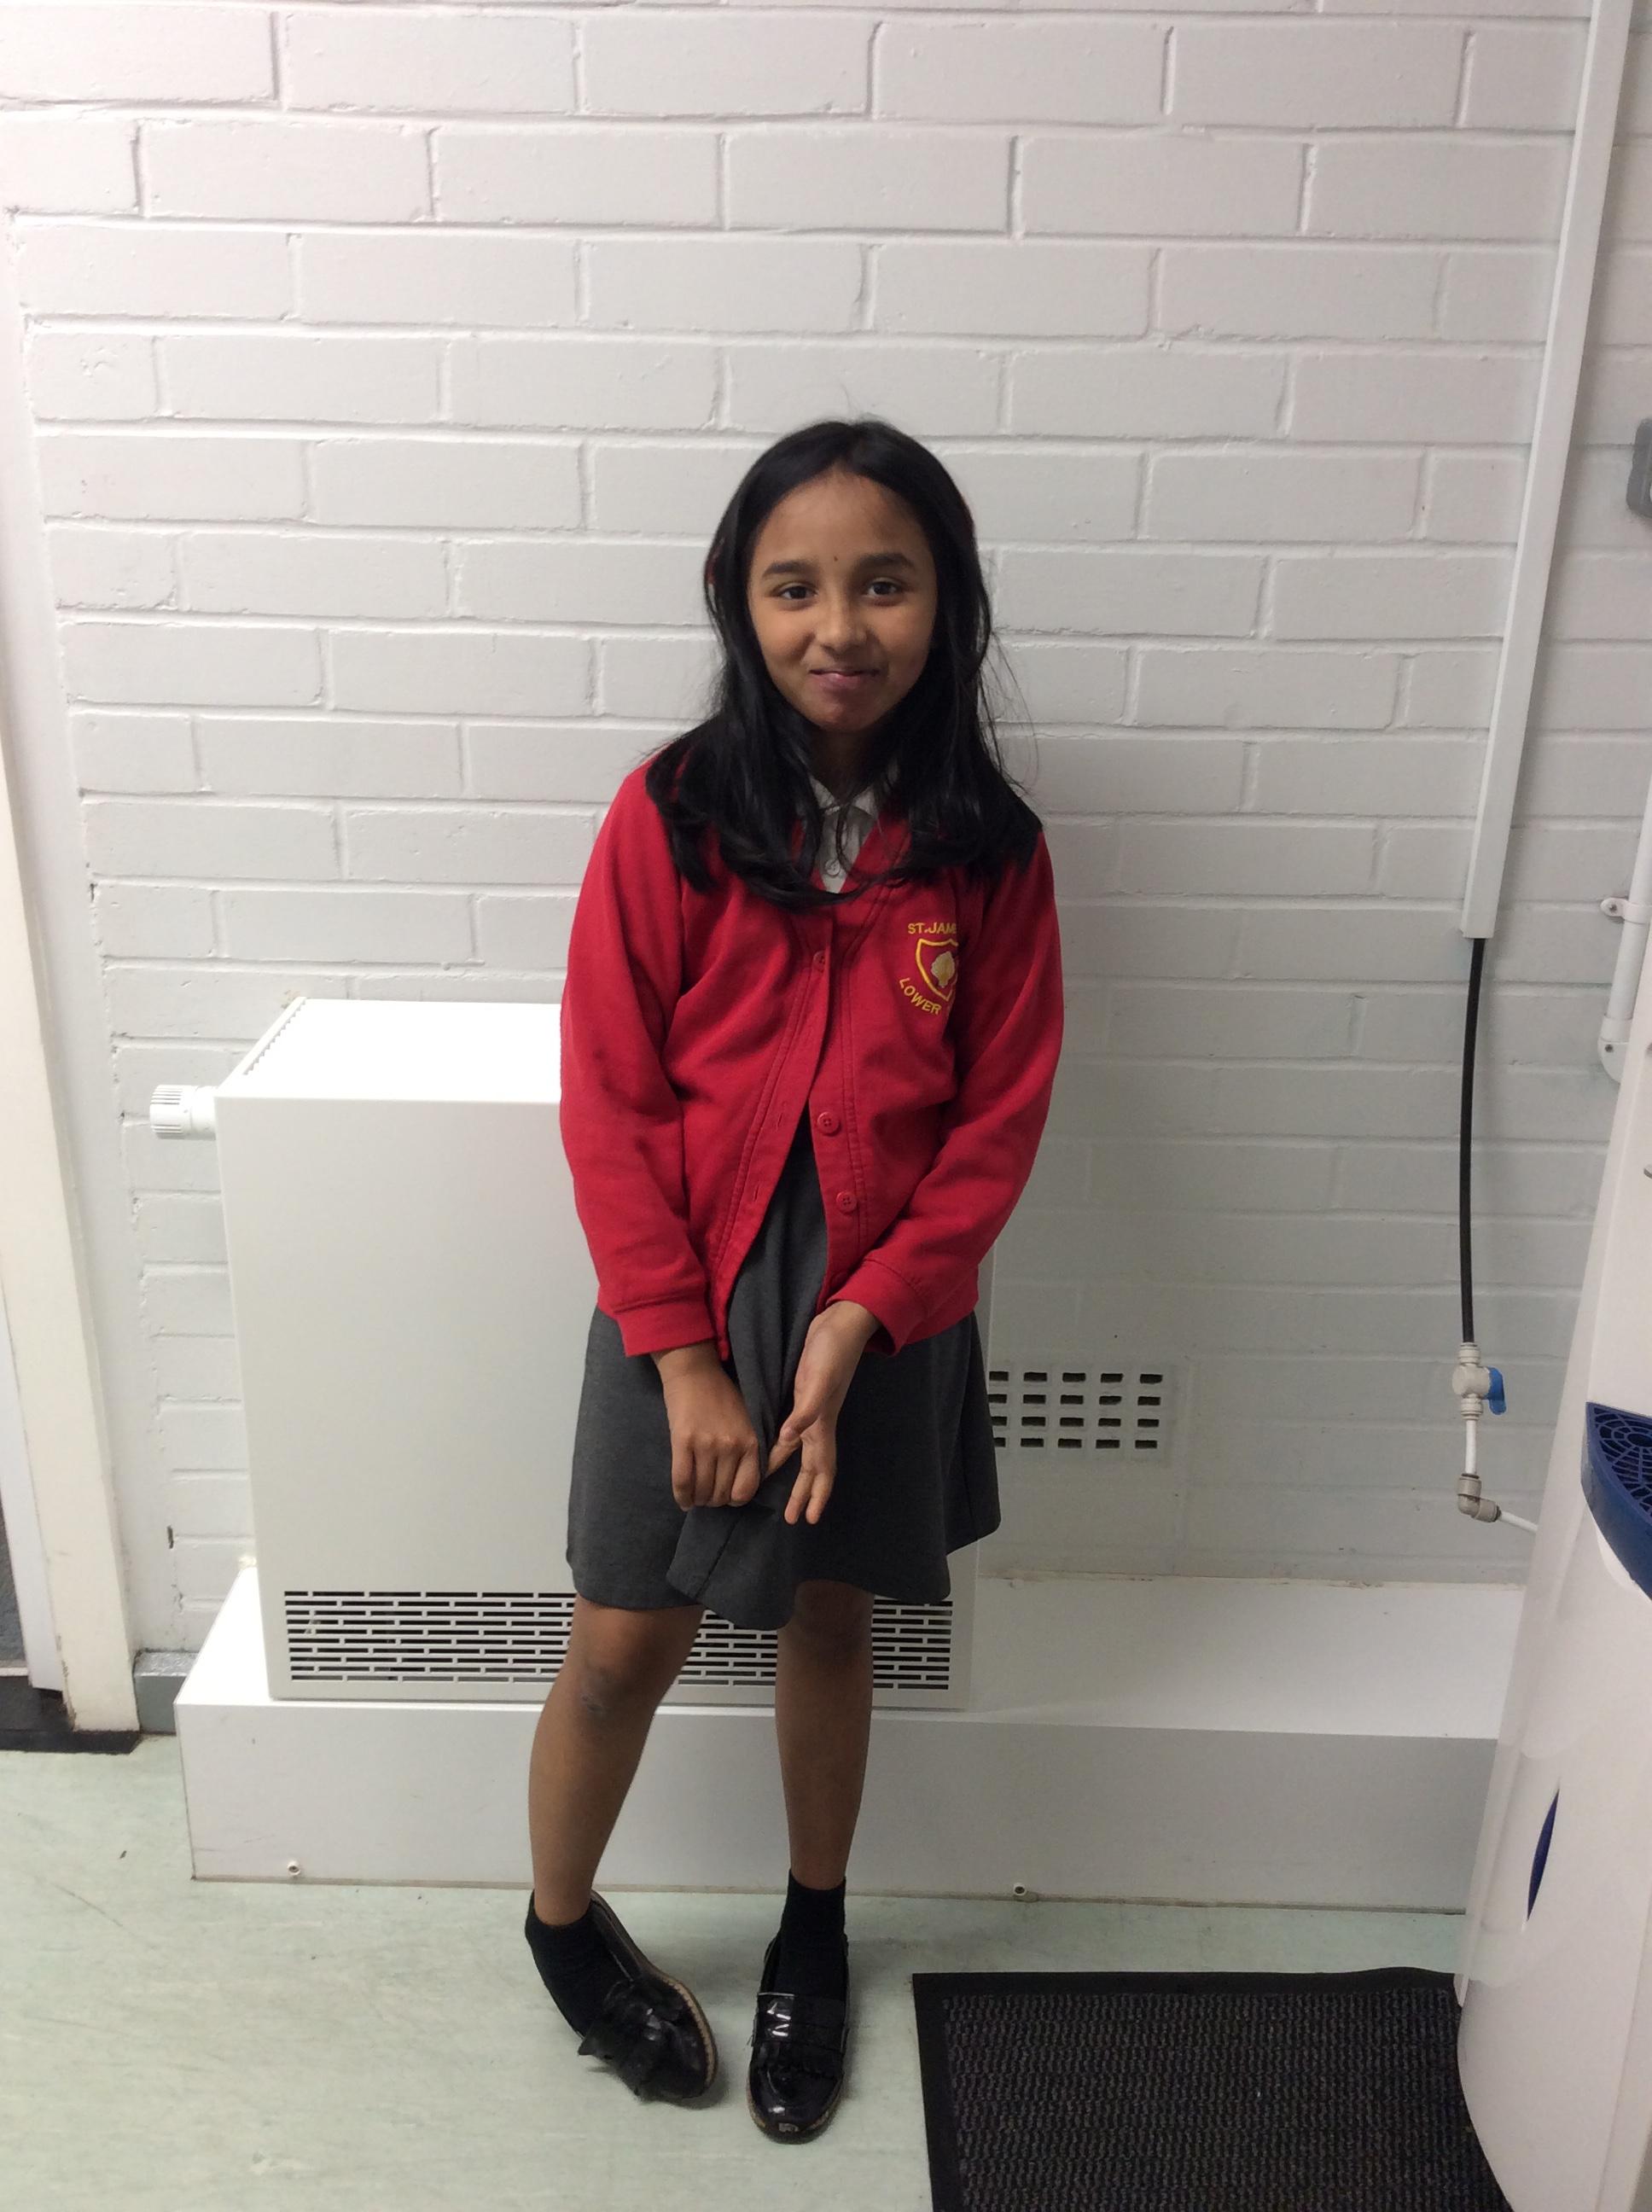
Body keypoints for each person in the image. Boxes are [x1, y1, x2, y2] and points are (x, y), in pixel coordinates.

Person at [521, 416, 1066, 2143]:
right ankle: (559, 1931)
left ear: (945, 603)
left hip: (887, 1304)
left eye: (883, 585)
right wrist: (684, 1357)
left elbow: (994, 1123)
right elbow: (609, 1098)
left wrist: (863, 1316)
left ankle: (812, 1932)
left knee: (833, 1618)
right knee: (625, 1637)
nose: (839, 627)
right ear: (738, 604)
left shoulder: (989, 850)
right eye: (794, 587)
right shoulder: (672, 816)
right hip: (681, 1292)